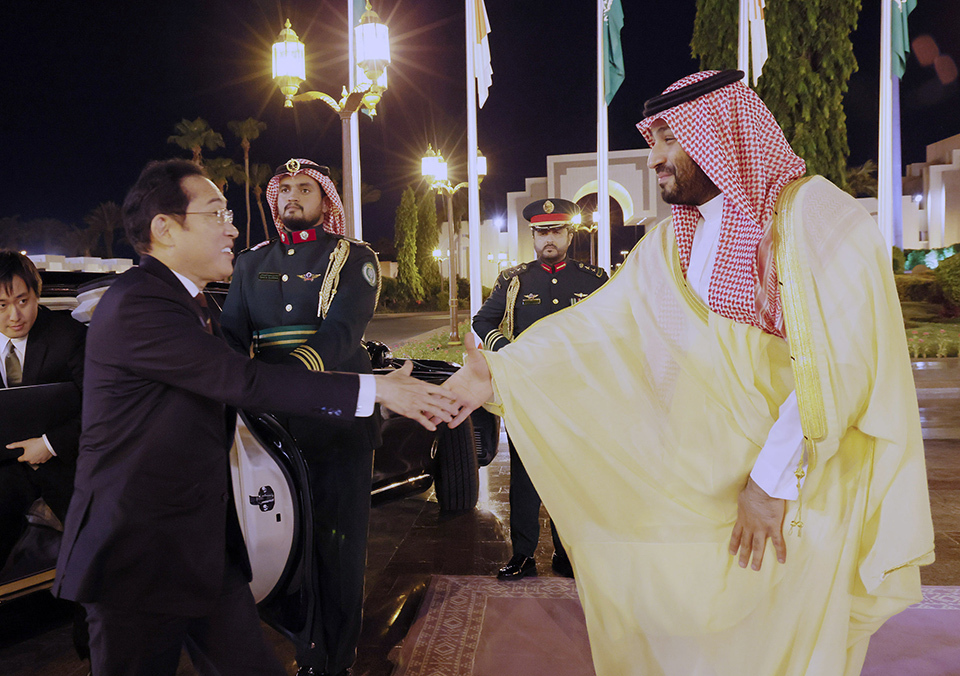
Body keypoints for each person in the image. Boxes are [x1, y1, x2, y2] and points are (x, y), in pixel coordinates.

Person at [443, 70, 935, 676]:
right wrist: (498, 375)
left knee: (778, 638)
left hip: (794, 483)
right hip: (701, 479)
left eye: (670, 139)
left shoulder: (811, 215)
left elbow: (840, 361)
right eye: (653, 140)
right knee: (689, 629)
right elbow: (602, 329)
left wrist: (769, 484)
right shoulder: (673, 240)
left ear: (720, 135)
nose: (654, 158)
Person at [52, 159, 458, 676]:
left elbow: (317, 342)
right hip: (139, 551)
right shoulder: (142, 304)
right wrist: (375, 389)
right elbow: (240, 378)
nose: (233, 227)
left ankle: (332, 654)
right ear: (165, 228)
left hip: (197, 544)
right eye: (216, 213)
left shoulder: (191, 300)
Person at [221, 158, 382, 676]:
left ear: (325, 199)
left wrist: (281, 380)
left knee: (340, 545)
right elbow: (232, 336)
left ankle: (337, 656)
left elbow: (341, 334)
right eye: (285, 187)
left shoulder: (353, 256)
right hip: (272, 424)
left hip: (336, 418)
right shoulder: (251, 262)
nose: (293, 195)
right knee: (287, 542)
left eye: (305, 188)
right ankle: (305, 646)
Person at [472, 198, 607, 580]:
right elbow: (483, 321)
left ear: (569, 235)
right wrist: (507, 350)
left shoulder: (593, 279)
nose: (549, 238)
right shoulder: (514, 280)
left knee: (572, 474)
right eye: (542, 232)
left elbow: (612, 323)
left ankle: (567, 554)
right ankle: (523, 555)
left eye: (556, 231)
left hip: (576, 392)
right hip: (528, 390)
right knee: (525, 473)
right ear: (533, 236)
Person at [0, 251, 86, 569]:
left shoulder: (70, 336)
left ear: (37, 294)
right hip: (6, 466)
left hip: (64, 459)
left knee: (93, 546)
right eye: (1, 305)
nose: (14, 315)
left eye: (23, 301)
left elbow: (102, 407)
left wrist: (49, 445)